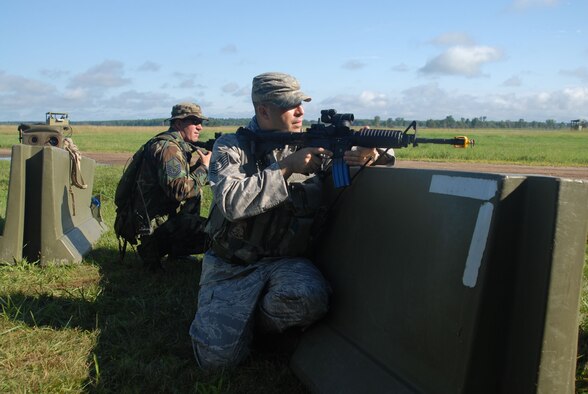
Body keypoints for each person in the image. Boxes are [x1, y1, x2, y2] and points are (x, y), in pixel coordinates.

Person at [189, 72, 394, 368]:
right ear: (263, 110)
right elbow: (232, 203)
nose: (300, 111)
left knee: (310, 298)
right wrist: (285, 168)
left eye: (301, 103)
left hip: (285, 261)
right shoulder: (230, 146)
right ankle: (233, 316)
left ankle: (255, 320)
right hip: (231, 266)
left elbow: (366, 158)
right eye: (290, 105)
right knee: (215, 361)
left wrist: (370, 155)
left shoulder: (309, 144)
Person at [134, 102, 211, 270]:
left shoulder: (173, 145)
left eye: (201, 123)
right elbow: (179, 192)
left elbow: (181, 184)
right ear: (178, 123)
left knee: (195, 196)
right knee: (219, 233)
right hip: (155, 230)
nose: (200, 127)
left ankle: (177, 252)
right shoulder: (169, 149)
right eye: (194, 121)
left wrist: (198, 168)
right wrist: (204, 168)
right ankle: (156, 253)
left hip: (161, 223)